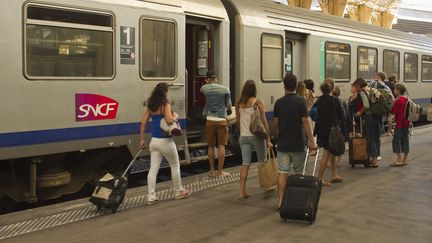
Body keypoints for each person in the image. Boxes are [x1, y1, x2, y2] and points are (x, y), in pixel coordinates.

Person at [139, 82, 191, 204]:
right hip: (165, 141)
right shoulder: (165, 104)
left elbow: (143, 123)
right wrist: (176, 115)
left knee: (153, 169)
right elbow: (169, 120)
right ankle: (179, 192)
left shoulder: (151, 106)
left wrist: (142, 139)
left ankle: (151, 197)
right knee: (175, 165)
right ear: (165, 92)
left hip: (154, 142)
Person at [274, 74, 317, 208]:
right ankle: (297, 202)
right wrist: (312, 141)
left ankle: (280, 202)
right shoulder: (301, 101)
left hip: (283, 144)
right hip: (298, 143)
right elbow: (305, 122)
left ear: (284, 86)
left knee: (282, 172)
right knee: (299, 173)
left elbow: (276, 123)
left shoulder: (278, 102)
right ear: (295, 86)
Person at [235, 80, 273, 199]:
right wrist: (268, 139)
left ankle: (242, 191)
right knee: (262, 161)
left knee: (245, 163)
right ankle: (266, 185)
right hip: (256, 136)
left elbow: (237, 121)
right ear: (254, 90)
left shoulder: (238, 104)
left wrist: (243, 131)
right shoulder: (258, 103)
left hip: (243, 137)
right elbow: (264, 121)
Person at [200, 70, 232, 177]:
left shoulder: (205, 88)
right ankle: (220, 172)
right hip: (221, 120)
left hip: (210, 119)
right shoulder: (225, 89)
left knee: (210, 146)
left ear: (208, 79)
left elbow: (201, 89)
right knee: (221, 146)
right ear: (216, 78)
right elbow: (228, 105)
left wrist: (206, 82)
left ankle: (212, 172)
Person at [313, 80, 344, 186]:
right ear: (332, 89)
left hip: (321, 130)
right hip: (331, 131)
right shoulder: (335, 101)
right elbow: (342, 115)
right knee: (326, 153)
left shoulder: (319, 100)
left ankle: (334, 174)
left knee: (331, 151)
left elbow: (313, 112)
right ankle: (319, 179)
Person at [367, 72, 394, 163]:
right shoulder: (387, 87)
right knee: (377, 136)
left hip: (371, 113)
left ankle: (374, 157)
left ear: (378, 77)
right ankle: (378, 155)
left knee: (371, 136)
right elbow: (392, 100)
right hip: (380, 114)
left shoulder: (373, 83)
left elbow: (367, 93)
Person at [390, 84, 410, 166]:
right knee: (405, 140)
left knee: (395, 140)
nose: (394, 91)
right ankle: (405, 160)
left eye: (395, 89)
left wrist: (392, 103)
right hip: (406, 123)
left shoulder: (398, 100)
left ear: (398, 91)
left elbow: (393, 111)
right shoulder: (406, 99)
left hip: (400, 123)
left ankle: (399, 159)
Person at [332, 85, 348, 167]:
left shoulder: (332, 101)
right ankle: (339, 161)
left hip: (334, 124)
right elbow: (345, 115)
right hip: (341, 124)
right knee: (340, 143)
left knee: (333, 143)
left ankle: (332, 161)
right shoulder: (342, 101)